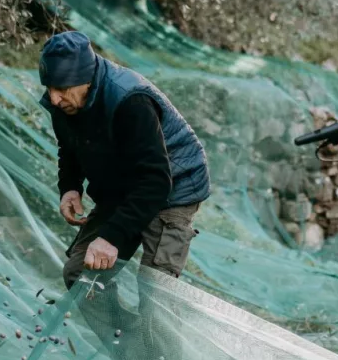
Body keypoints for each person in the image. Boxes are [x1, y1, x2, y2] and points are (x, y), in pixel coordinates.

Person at [39, 31, 210, 289]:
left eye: (62, 89)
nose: (54, 98)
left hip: (173, 186)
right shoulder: (64, 103)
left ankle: (148, 329)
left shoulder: (131, 101)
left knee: (155, 293)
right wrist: (70, 186)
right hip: (123, 183)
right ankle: (123, 331)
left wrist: (111, 237)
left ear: (86, 80)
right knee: (80, 276)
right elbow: (69, 145)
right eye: (49, 88)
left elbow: (156, 182)